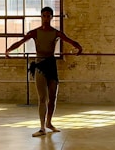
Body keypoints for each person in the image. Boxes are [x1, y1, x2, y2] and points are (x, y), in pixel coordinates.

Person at [5, 7, 83, 137]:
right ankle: (42, 127)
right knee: (42, 98)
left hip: (51, 65)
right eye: (44, 16)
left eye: (48, 16)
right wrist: (8, 50)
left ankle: (49, 123)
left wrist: (79, 47)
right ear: (41, 17)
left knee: (53, 97)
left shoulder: (56, 33)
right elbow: (20, 42)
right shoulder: (35, 32)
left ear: (52, 17)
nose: (46, 18)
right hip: (40, 65)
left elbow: (69, 40)